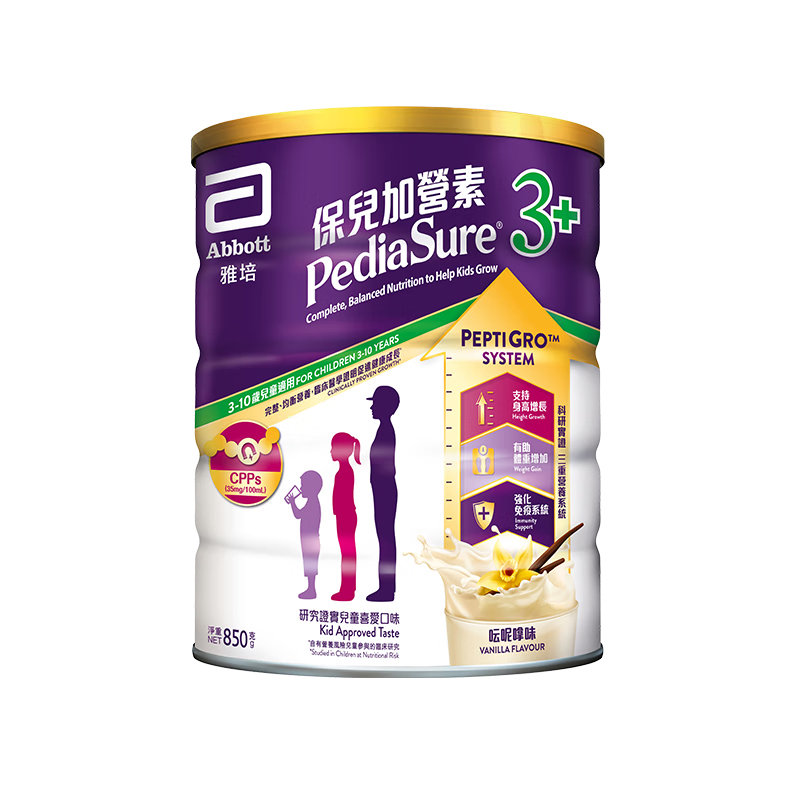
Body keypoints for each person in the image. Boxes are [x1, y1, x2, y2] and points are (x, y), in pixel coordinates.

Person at [366, 386, 400, 602]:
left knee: (386, 539)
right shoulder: (384, 429)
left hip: (384, 491)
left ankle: (386, 590)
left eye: (375, 403)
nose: (371, 407)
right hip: (382, 490)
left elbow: (384, 466)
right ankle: (387, 588)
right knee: (385, 539)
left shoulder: (386, 430)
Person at [330, 432, 360, 601]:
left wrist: (339, 513)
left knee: (347, 554)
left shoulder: (345, 472)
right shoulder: (344, 471)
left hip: (345, 516)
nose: (330, 451)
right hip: (344, 515)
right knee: (347, 553)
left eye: (333, 448)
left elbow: (343, 498)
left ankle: (347, 590)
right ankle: (348, 587)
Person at [286, 471, 323, 599]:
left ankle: (312, 590)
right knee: (309, 565)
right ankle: (311, 589)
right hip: (310, 540)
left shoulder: (312, 503)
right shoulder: (312, 501)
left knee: (310, 566)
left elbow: (298, 515)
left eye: (303, 485)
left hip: (310, 541)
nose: (301, 488)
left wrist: (292, 502)